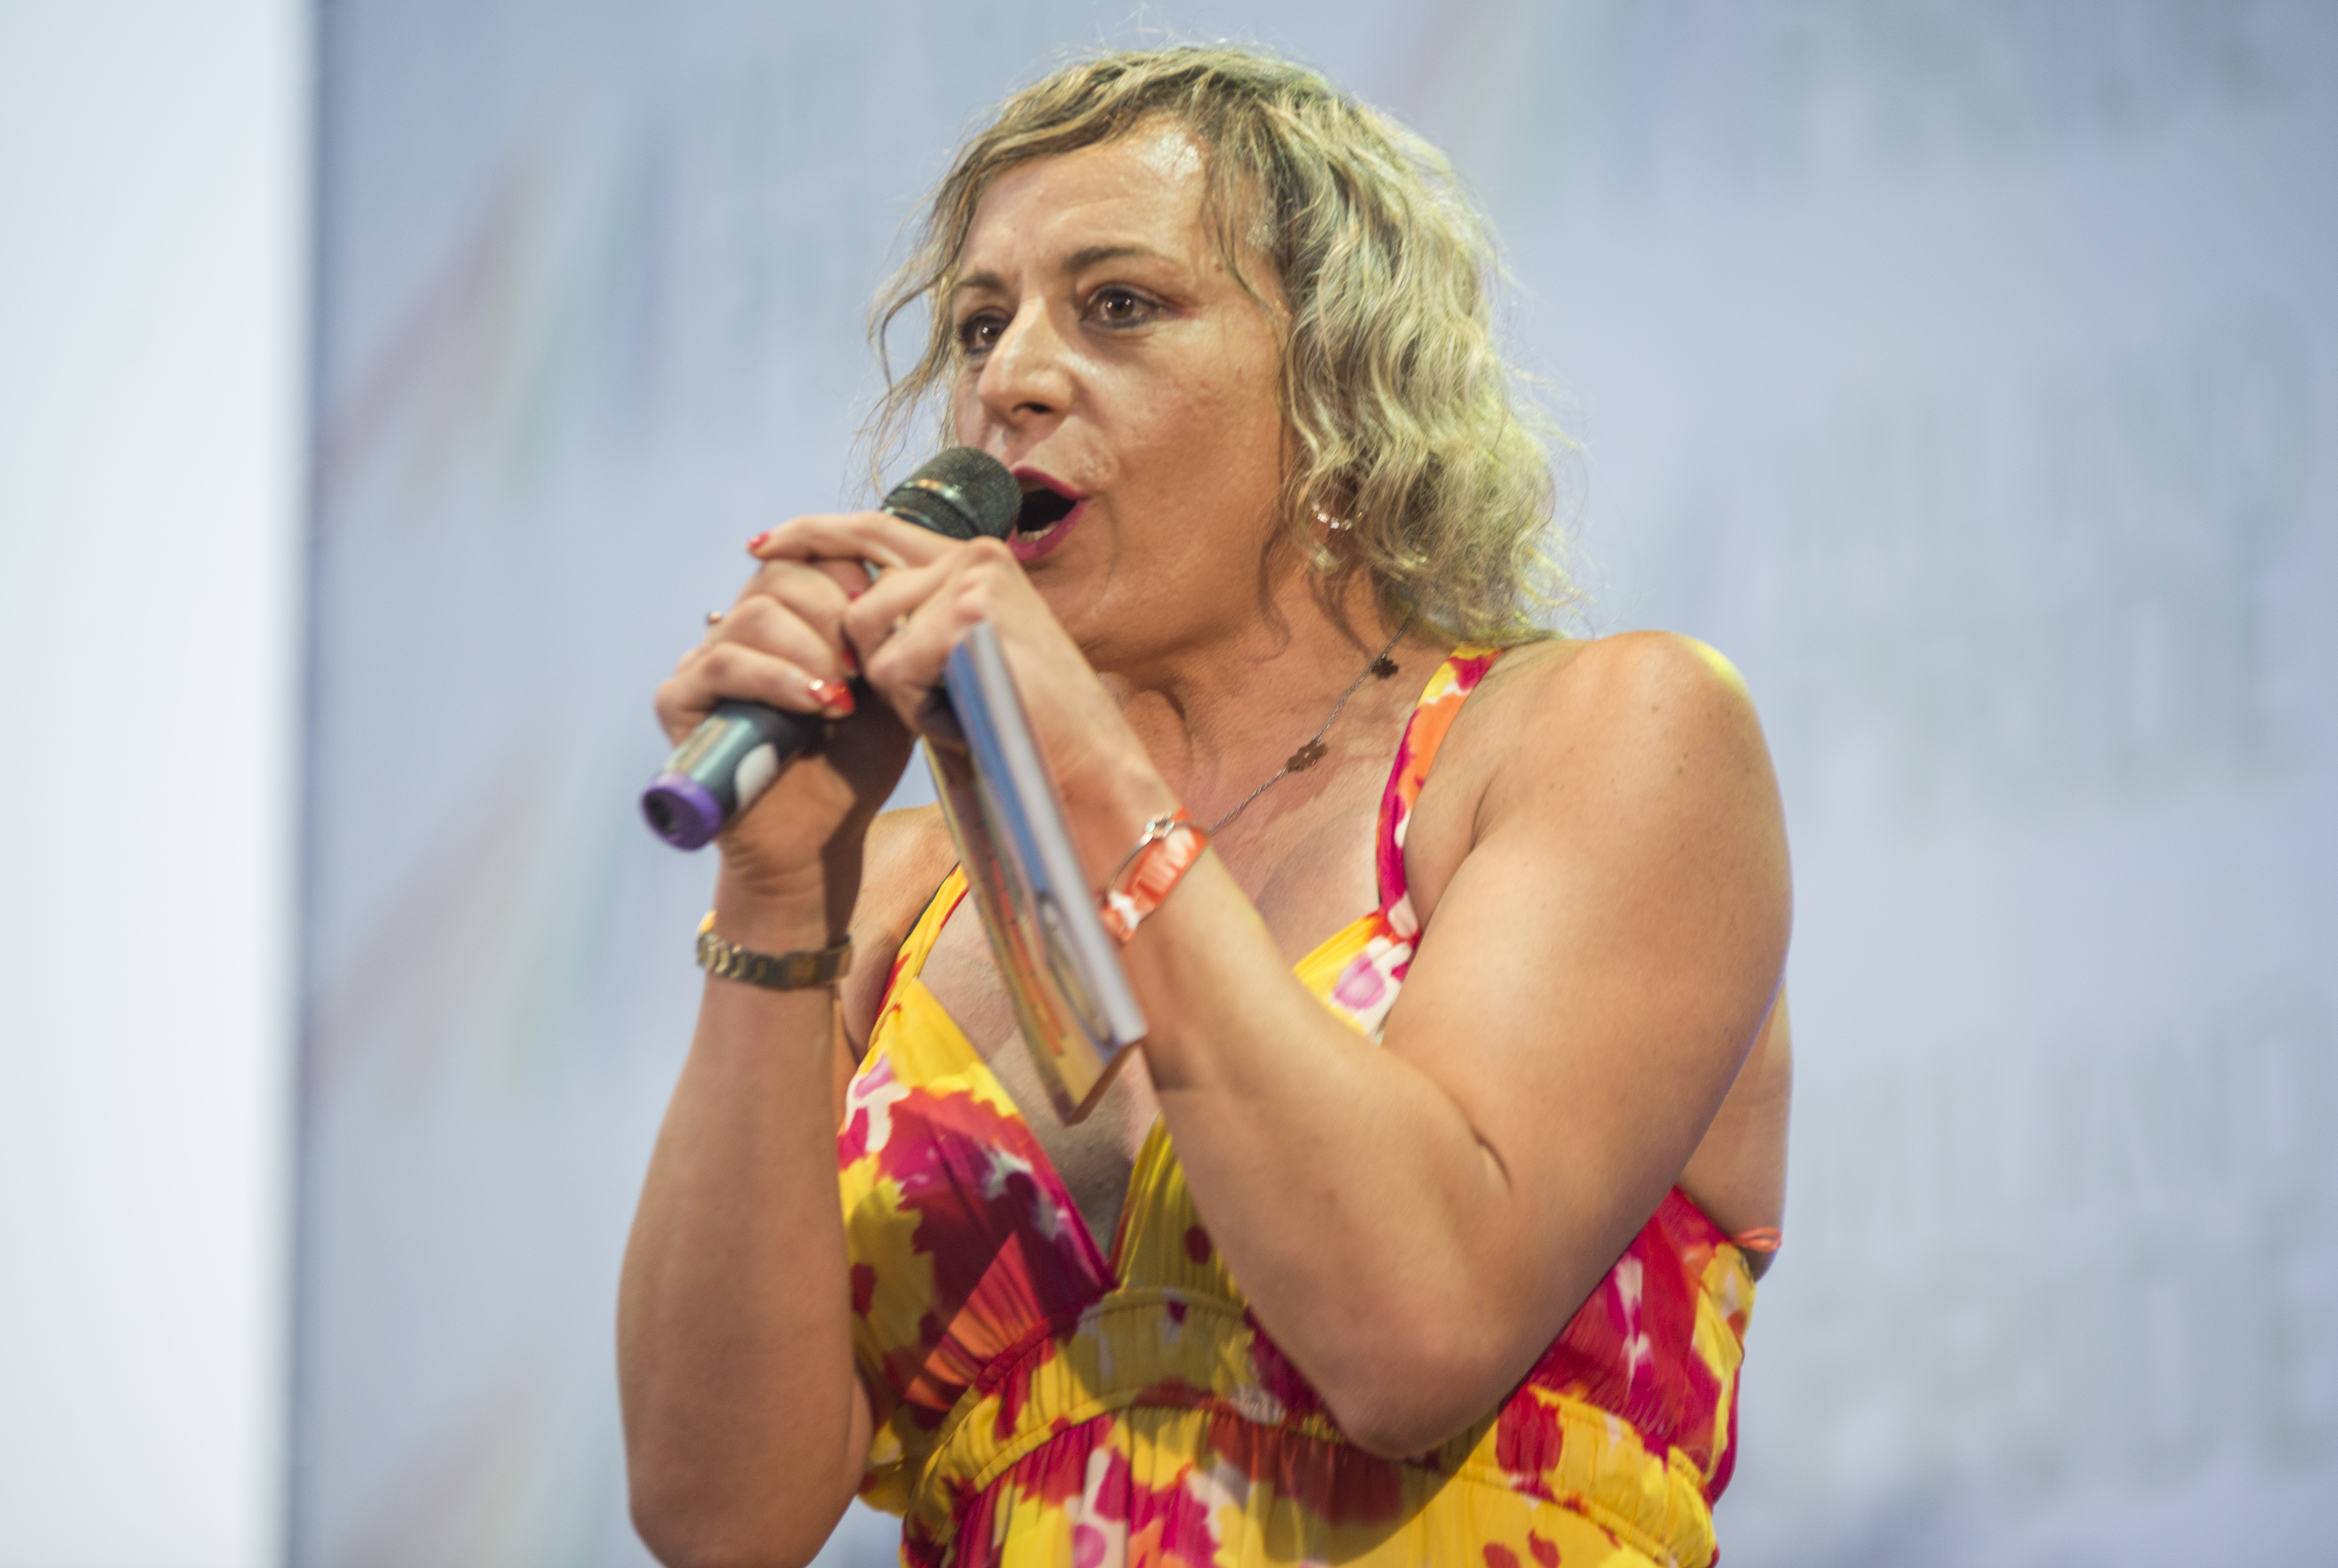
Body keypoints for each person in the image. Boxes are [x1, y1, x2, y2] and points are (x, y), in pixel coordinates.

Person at [618, 44, 1791, 1568]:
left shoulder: (1599, 734)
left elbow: (1412, 1330)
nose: (1007, 378)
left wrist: (1087, 777)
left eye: (1117, 305)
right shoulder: (899, 897)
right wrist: (776, 898)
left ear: (1336, 388)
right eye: (982, 323)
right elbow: (719, 1517)